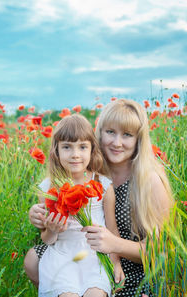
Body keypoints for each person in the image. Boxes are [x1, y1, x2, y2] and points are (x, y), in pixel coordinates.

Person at [25, 99, 173, 296]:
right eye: (110, 132)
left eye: (127, 135)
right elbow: (52, 215)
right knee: (33, 259)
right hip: (78, 252)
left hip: (131, 267)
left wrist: (114, 244)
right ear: (98, 134)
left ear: (138, 139)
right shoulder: (90, 169)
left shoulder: (148, 181)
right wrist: (37, 214)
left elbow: (162, 253)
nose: (117, 142)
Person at [28, 113, 124, 297]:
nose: (75, 155)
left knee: (95, 294)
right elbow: (47, 239)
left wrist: (116, 263)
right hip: (61, 257)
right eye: (67, 147)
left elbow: (112, 230)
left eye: (82, 147)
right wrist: (53, 230)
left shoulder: (104, 186)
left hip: (95, 257)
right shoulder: (49, 188)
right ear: (56, 150)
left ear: (92, 150)